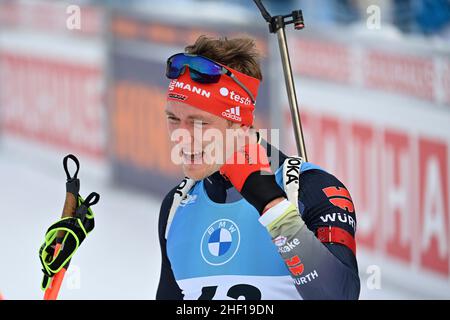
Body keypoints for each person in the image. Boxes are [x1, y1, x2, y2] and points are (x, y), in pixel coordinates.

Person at [157, 36, 360, 300]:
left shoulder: (311, 189)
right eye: (173, 119)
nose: (179, 136)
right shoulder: (177, 205)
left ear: (239, 125)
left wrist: (273, 207)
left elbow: (340, 296)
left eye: (199, 123)